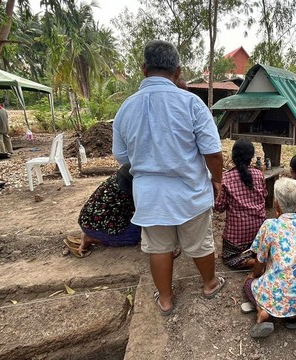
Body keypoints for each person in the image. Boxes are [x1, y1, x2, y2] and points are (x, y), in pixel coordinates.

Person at [112, 40, 225, 316]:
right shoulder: (192, 104)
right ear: (177, 71)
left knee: (159, 247)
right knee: (199, 242)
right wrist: (217, 180)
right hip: (191, 192)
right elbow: (213, 152)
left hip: (150, 195)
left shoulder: (126, 108)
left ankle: (165, 299)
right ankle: (210, 284)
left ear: (143, 69)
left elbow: (122, 156)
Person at [242, 177, 296, 338]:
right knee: (289, 283)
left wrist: (254, 276)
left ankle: (262, 312)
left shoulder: (270, 225)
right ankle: (291, 317)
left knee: (248, 284)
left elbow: (260, 260)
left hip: (275, 292)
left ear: (276, 203)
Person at [214, 139, 267, 269]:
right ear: (252, 157)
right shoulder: (259, 174)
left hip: (237, 237)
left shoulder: (226, 178)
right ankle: (257, 256)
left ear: (233, 157)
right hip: (259, 233)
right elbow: (264, 195)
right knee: (254, 247)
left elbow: (219, 207)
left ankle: (254, 262)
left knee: (228, 258)